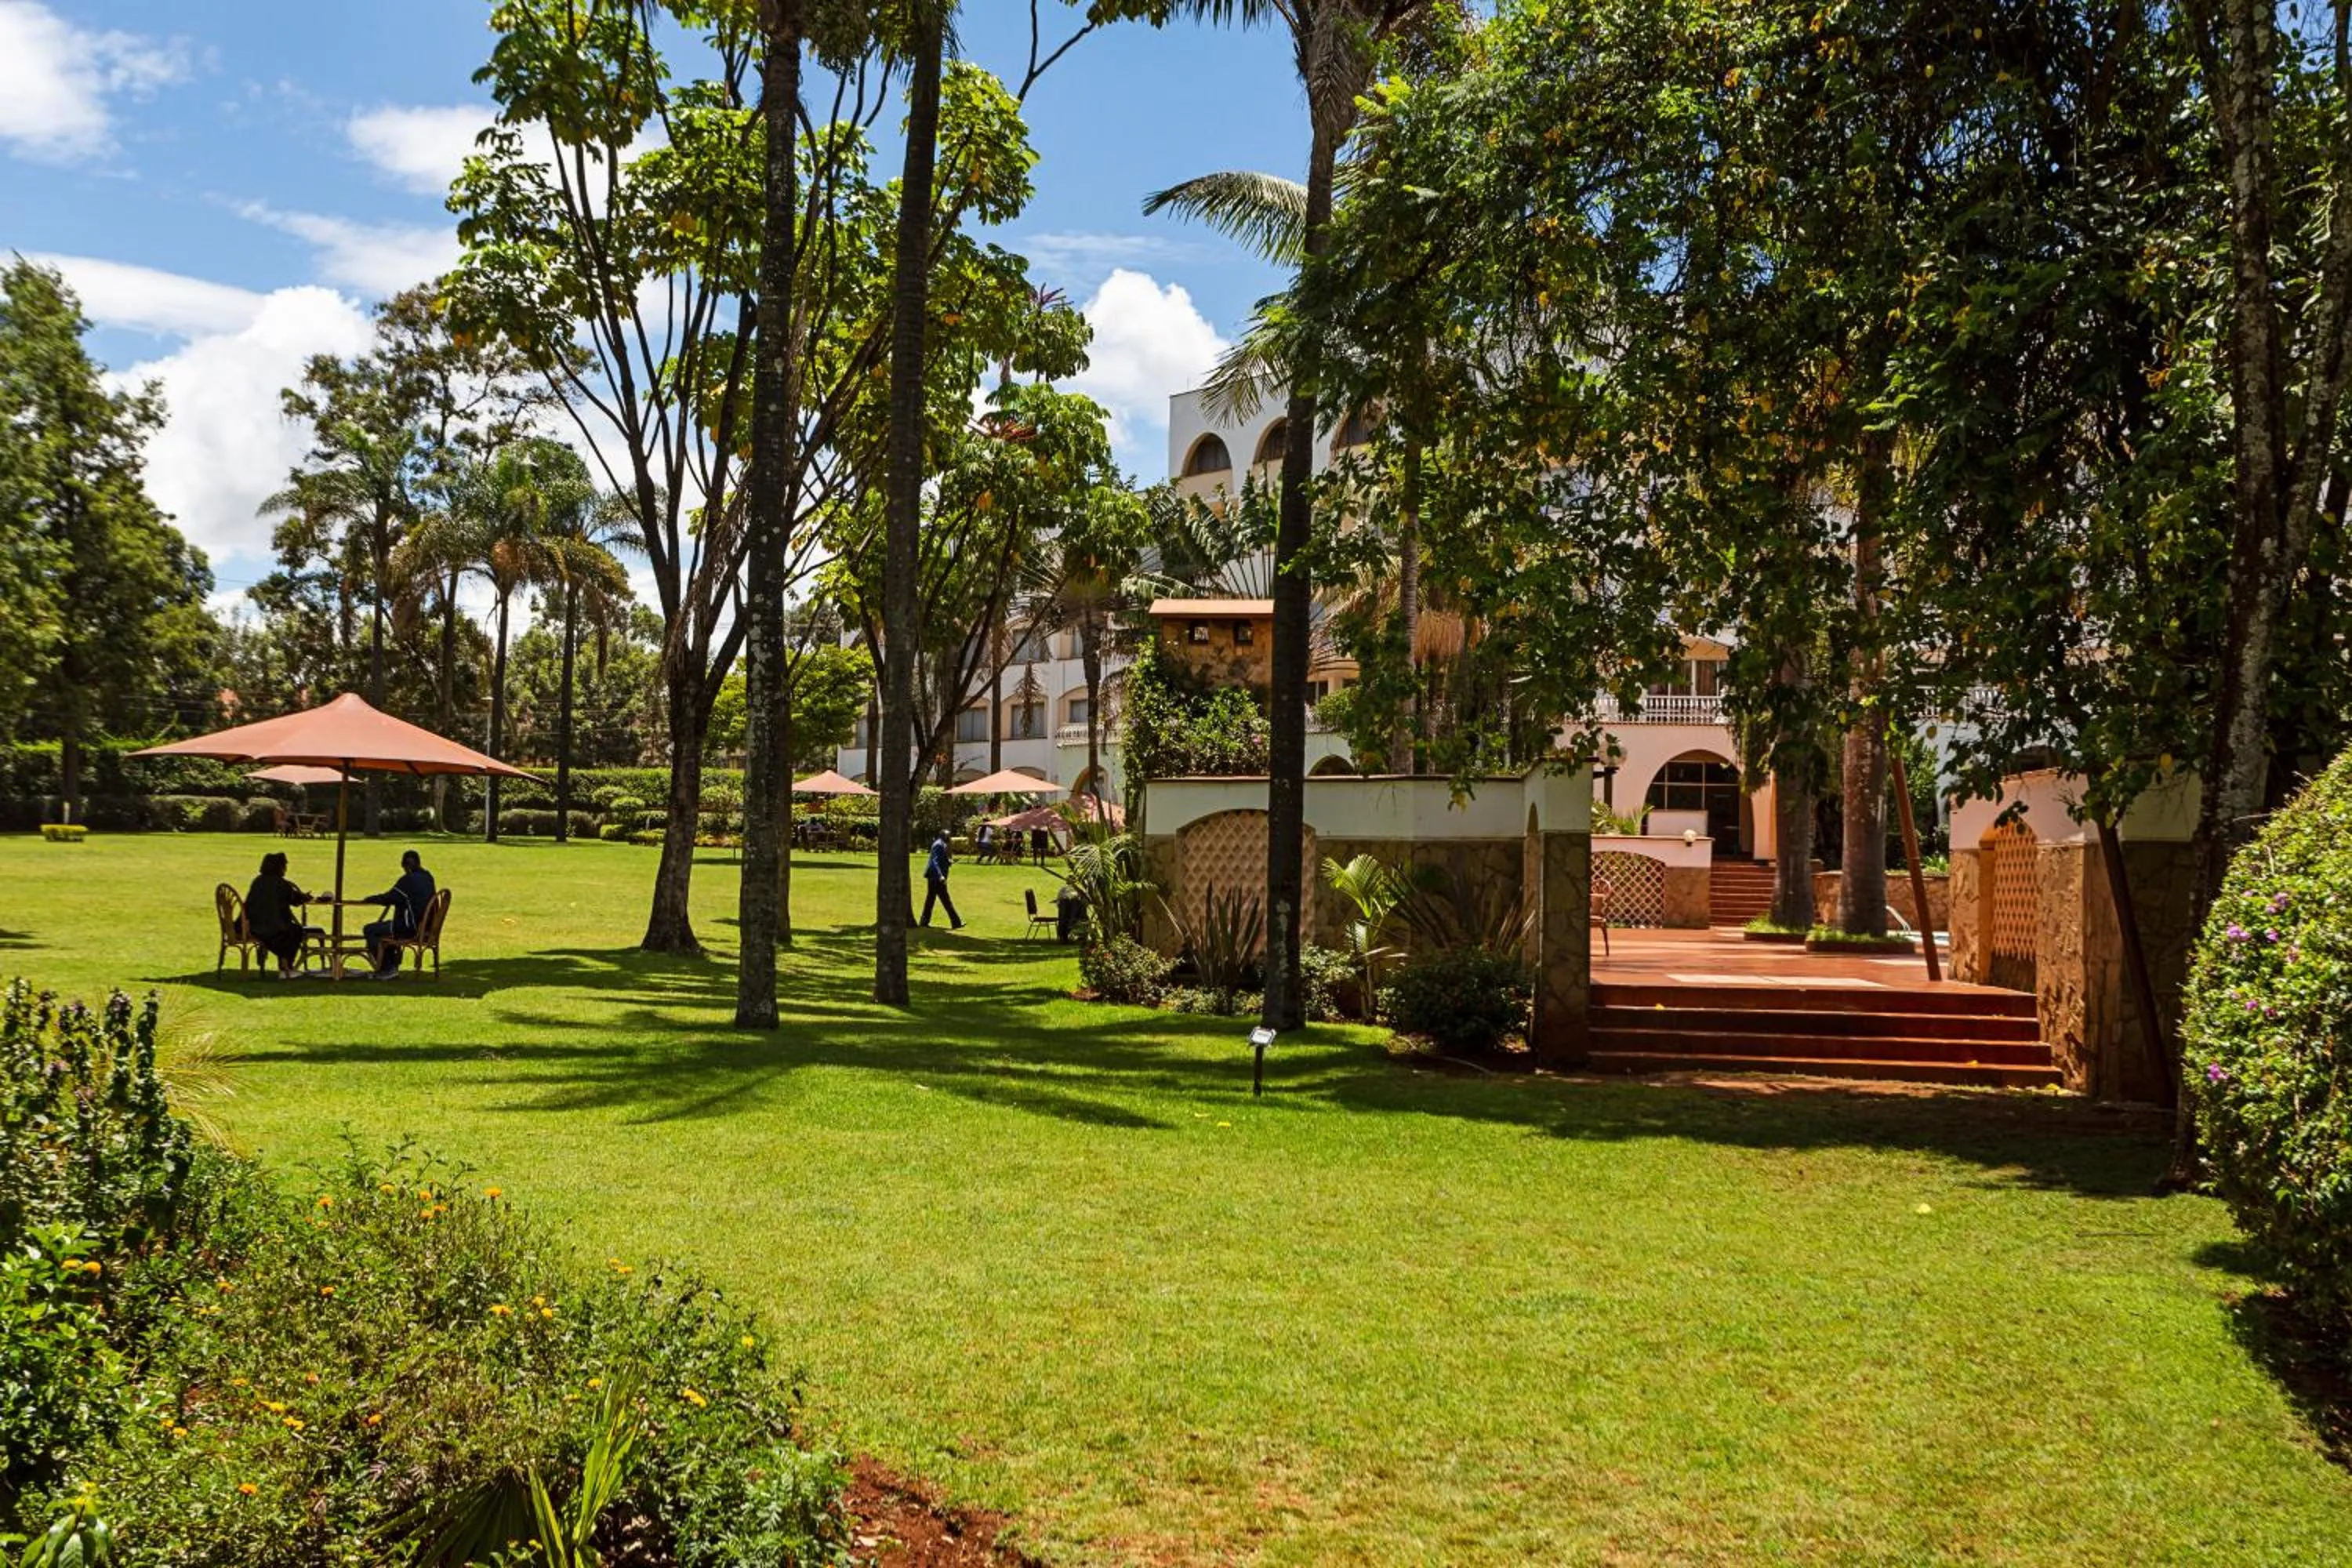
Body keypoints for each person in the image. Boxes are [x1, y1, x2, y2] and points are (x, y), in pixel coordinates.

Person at [359, 849, 437, 978]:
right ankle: (392, 965)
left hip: (409, 928)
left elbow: (389, 898)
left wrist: (370, 899)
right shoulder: (428, 878)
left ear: (405, 866)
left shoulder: (408, 880)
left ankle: (387, 968)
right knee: (386, 929)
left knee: (370, 930)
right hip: (427, 927)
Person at [243, 851, 314, 978]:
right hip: (272, 929)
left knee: (290, 931)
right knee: (296, 932)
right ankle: (286, 968)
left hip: (251, 926)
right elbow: (295, 900)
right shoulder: (281, 884)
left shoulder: (258, 882)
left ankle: (284, 967)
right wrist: (305, 897)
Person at [920, 829, 963, 930]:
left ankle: (924, 921)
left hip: (934, 877)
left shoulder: (941, 844)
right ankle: (956, 922)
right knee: (945, 899)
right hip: (936, 877)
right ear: (943, 836)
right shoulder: (938, 845)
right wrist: (940, 876)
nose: (949, 838)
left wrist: (949, 862)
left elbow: (941, 860)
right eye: (948, 836)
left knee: (931, 899)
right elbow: (935, 861)